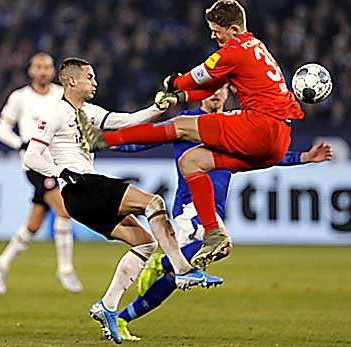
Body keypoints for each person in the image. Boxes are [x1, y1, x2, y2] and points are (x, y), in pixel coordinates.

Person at [78, 0, 306, 269]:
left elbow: (194, 77)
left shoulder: (233, 51)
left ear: (233, 29)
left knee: (182, 126)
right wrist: (181, 95)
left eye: (216, 30)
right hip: (277, 140)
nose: (213, 35)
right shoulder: (254, 46)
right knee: (191, 162)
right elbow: (210, 84)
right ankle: (214, 233)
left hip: (261, 126)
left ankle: (103, 139)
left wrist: (174, 83)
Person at [22, 57, 223, 344]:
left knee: (145, 242)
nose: (95, 82)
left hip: (82, 194)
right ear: (71, 81)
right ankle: (182, 269)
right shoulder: (54, 113)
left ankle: (108, 306)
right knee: (153, 203)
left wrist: (158, 108)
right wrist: (61, 172)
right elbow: (32, 156)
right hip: (80, 186)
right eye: (89, 77)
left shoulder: (89, 112)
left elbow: (127, 121)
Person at [110, 87, 333, 341]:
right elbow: (143, 141)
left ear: (228, 94)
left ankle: (122, 318)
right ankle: (160, 262)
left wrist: (304, 157)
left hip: (214, 208)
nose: (215, 94)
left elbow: (267, 154)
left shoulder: (237, 125)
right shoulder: (187, 123)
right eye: (211, 90)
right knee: (220, 245)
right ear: (201, 93)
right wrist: (105, 144)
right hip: (190, 205)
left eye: (221, 90)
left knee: (176, 279)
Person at [0, 52, 82, 294]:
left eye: (47, 67)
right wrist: (20, 143)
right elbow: (2, 129)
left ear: (53, 71)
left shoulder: (60, 95)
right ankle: (65, 269)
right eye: (38, 67)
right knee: (64, 210)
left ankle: (3, 262)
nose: (42, 71)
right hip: (34, 165)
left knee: (33, 224)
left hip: (57, 163)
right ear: (30, 70)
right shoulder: (19, 97)